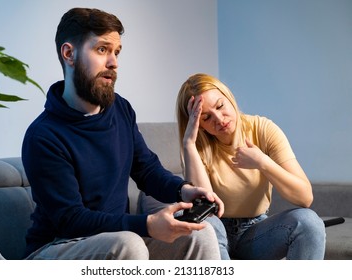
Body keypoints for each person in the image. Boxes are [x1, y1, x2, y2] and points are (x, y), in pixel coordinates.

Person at [21, 8, 223, 260]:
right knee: (129, 244)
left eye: (116, 52)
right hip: (56, 246)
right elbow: (71, 219)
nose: (113, 62)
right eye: (102, 49)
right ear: (69, 53)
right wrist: (147, 225)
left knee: (199, 234)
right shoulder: (43, 136)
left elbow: (146, 169)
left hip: (116, 238)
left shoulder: (120, 109)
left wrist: (184, 190)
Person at [175, 73, 326, 260]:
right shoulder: (195, 147)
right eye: (206, 117)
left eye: (220, 106)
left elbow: (305, 198)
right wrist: (189, 144)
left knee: (309, 222)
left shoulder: (263, 129)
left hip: (255, 233)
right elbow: (206, 207)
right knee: (207, 226)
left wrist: (263, 162)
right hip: (217, 232)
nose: (219, 119)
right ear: (200, 125)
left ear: (229, 98)